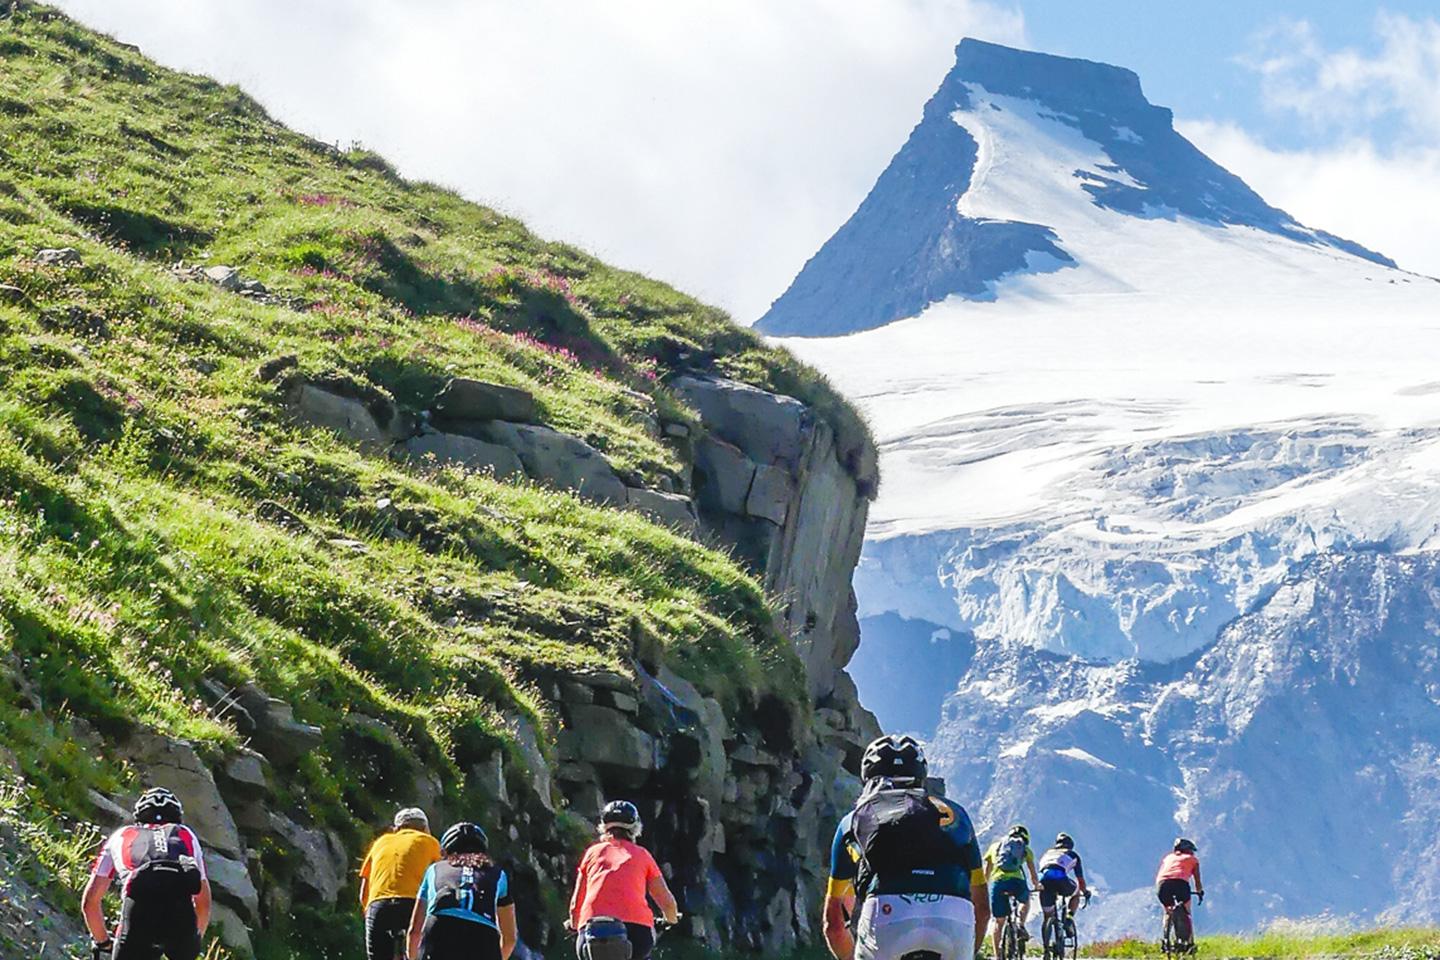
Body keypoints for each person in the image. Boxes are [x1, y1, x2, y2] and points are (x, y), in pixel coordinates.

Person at [821, 734, 989, 960]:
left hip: (886, 915)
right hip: (955, 917)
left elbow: (834, 923)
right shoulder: (957, 815)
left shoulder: (853, 821)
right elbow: (983, 909)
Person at [80, 787, 212, 960]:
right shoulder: (186, 835)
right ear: (177, 817)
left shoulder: (120, 836)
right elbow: (204, 904)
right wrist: (191, 943)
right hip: (181, 917)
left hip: (138, 914)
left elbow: (90, 903)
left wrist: (104, 943)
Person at [569, 800, 680, 960]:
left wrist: (574, 924)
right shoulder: (642, 855)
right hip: (635, 933)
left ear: (604, 827)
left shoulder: (592, 854)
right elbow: (668, 903)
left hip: (591, 932)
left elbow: (575, 907)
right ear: (635, 828)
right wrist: (671, 920)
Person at [406, 822, 516, 960]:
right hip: (483, 937)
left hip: (440, 928)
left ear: (446, 851)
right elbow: (509, 939)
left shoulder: (434, 869)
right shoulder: (499, 875)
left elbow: (414, 931)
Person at [360, 807, 442, 960]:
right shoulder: (430, 842)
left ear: (396, 829)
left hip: (379, 905)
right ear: (425, 828)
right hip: (413, 905)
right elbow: (443, 879)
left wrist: (372, 917)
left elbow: (363, 892)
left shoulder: (380, 843)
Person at [985, 824, 1040, 956]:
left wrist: (984, 887)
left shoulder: (995, 847)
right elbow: (1033, 875)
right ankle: (1020, 924)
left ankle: (998, 955)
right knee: (1025, 900)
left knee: (999, 922)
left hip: (998, 883)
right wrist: (1037, 885)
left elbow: (987, 871)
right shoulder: (1025, 849)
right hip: (1017, 882)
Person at [1036, 833, 1090, 935]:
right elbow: (1080, 879)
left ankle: (1046, 946)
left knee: (1047, 916)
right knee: (1076, 892)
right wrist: (1085, 892)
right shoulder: (1072, 855)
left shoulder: (1047, 853)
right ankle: (1069, 919)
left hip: (1044, 880)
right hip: (1060, 878)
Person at [1155, 838, 1204, 940]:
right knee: (1186, 911)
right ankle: (1189, 941)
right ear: (1188, 850)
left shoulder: (1168, 858)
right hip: (1180, 883)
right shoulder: (1192, 860)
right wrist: (1199, 892)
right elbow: (1197, 880)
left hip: (1162, 884)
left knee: (1168, 910)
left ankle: (1165, 938)